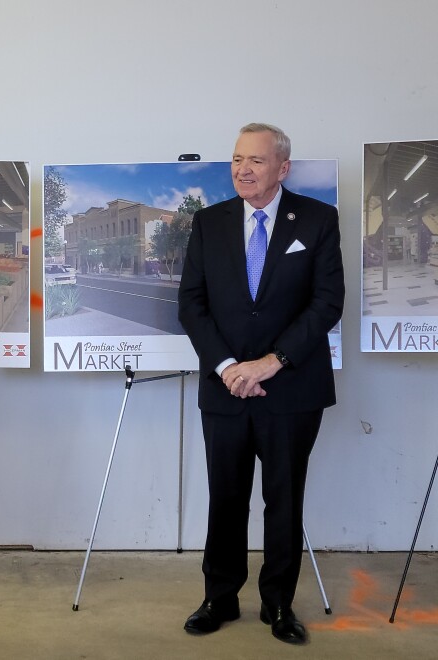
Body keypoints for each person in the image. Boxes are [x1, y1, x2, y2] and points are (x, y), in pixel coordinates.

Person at [177, 124, 344, 645]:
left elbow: (327, 302)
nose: (243, 169)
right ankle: (219, 598)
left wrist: (273, 361)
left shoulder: (318, 220)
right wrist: (228, 366)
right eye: (236, 159)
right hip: (225, 388)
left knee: (284, 498)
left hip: (291, 389)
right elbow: (191, 304)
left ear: (283, 167)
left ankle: (278, 606)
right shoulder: (208, 223)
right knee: (225, 498)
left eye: (255, 160)